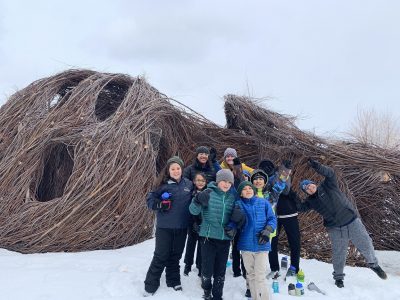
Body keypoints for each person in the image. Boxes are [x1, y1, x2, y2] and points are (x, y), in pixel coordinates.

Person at [298, 158, 387, 288]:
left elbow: (331, 173)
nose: (310, 188)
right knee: (339, 253)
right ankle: (339, 278)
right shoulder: (310, 201)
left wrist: (318, 166)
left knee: (366, 243)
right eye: (306, 189)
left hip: (351, 220)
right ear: (306, 192)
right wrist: (289, 194)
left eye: (310, 185)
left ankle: (374, 265)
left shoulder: (328, 185)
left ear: (314, 183)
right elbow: (300, 208)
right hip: (335, 228)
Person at [189, 169, 244, 300]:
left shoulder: (232, 198)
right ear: (218, 181)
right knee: (207, 270)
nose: (226, 184)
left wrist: (235, 226)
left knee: (220, 271)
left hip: (224, 239)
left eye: (229, 182)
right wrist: (197, 200)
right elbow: (193, 211)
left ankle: (218, 295)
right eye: (224, 181)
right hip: (208, 238)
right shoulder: (208, 193)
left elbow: (236, 219)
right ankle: (207, 289)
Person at [144, 156, 193, 296]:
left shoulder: (188, 184)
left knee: (176, 255)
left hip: (182, 227)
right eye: (173, 169)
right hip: (164, 228)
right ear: (168, 170)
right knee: (160, 255)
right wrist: (160, 204)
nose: (176, 171)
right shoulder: (162, 185)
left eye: (178, 168)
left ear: (182, 169)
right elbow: (150, 200)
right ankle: (150, 285)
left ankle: (173, 280)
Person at [236, 181, 277, 300]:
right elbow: (234, 221)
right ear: (241, 193)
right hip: (246, 245)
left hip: (262, 244)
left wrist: (268, 230)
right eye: (244, 189)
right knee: (251, 275)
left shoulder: (263, 202)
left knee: (260, 276)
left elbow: (272, 218)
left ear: (254, 190)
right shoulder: (238, 204)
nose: (248, 190)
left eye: (250, 188)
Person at [265, 160, 293, 278]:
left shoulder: (281, 175)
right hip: (260, 216)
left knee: (273, 242)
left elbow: (285, 190)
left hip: (275, 215)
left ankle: (275, 268)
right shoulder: (261, 180)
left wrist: (285, 174)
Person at [183, 172, 207, 277]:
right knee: (191, 244)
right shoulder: (190, 192)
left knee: (202, 246)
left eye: (202, 180)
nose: (200, 182)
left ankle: (200, 266)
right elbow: (189, 207)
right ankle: (187, 265)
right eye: (198, 180)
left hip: (203, 224)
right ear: (194, 181)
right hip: (192, 222)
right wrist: (193, 222)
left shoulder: (208, 193)